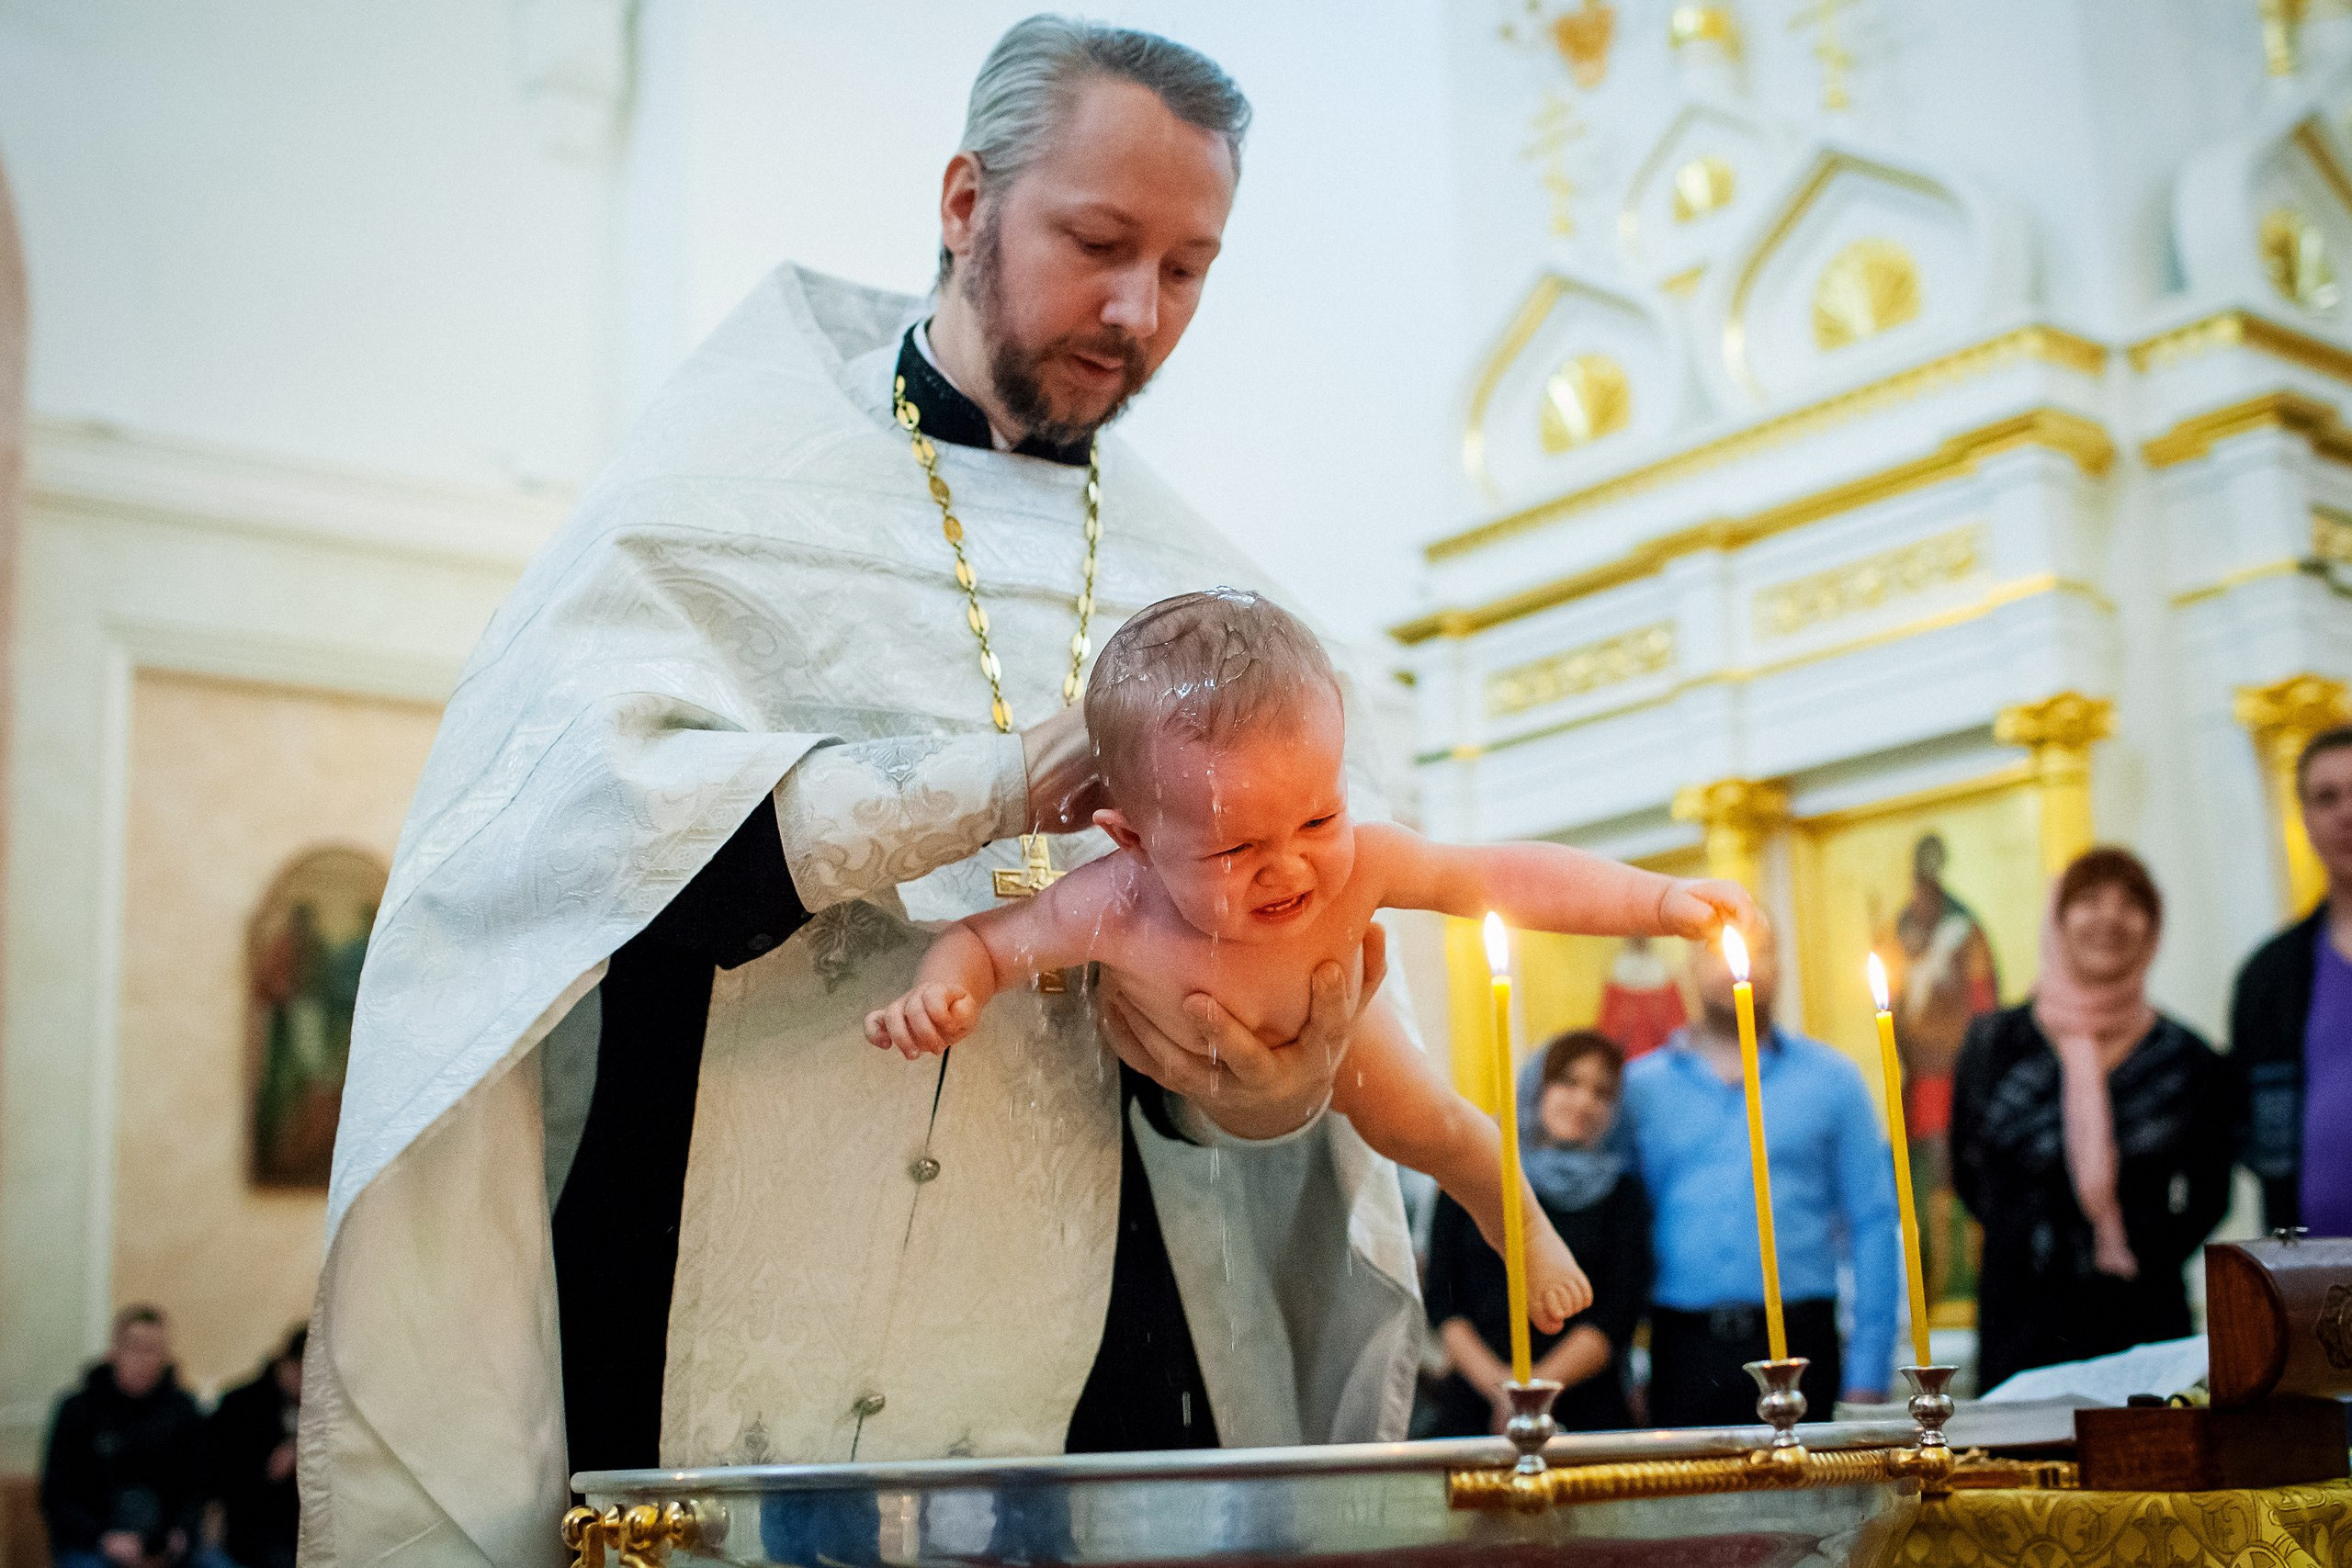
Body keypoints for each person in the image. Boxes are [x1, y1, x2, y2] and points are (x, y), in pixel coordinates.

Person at [306, 19, 1442, 1567]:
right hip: (698, 1296)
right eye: (1099, 243)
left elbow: (1243, 1049)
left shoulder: (1207, 586)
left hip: (1084, 1377)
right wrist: (996, 783)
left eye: (1188, 270)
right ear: (967, 202)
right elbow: (585, 842)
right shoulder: (719, 491)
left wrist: (1252, 1082)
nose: (1138, 311)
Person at [867, 591, 1749, 1325]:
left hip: (1344, 1026)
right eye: (1233, 848)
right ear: (1132, 838)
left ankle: (1518, 1225)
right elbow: (983, 941)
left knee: (1435, 1127)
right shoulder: (1112, 907)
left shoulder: (1365, 863)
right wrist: (944, 992)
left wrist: (1655, 901)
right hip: (1185, 1106)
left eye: (1319, 818)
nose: (1290, 867)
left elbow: (1496, 875)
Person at [1951, 847, 2236, 1393]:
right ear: (2057, 919)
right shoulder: (1994, 1045)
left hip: (2143, 1321)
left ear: (2153, 928)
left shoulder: (2185, 1057)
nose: (2110, 917)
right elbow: (1968, 1175)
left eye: (2132, 903)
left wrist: (2143, 1251)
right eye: (2088, 900)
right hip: (2021, 1322)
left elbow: (2210, 1196)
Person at [1623, 916, 1899, 1425]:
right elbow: (1618, 1231)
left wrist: (1868, 1371)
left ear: (1780, 966)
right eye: (1714, 950)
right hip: (1682, 1346)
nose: (1735, 965)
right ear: (1689, 966)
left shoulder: (1832, 1081)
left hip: (1802, 1338)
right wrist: (1623, 1368)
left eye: (1759, 949)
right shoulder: (1641, 1087)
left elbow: (1874, 1223)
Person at [1421, 1032, 1652, 1435]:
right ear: (1536, 1086)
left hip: (1585, 1408)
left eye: (1602, 1093)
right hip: (1474, 1401)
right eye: (1568, 1081)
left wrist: (1533, 1392)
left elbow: (1618, 1312)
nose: (1584, 1101)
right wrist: (1502, 1390)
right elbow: (1443, 1298)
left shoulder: (1623, 1194)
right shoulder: (1476, 1173)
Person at [2233, 725, 2352, 1238]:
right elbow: (2246, 1122)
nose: (2347, 813)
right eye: (2327, 798)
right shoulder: (2269, 976)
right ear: (2304, 819)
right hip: (2309, 1270)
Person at [40, 1306, 207, 1568]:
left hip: (166, 1546)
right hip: (94, 1544)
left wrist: (181, 1533)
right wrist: (103, 1539)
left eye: (153, 1350)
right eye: (135, 1348)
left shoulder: (183, 1410)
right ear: (114, 1352)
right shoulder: (78, 1410)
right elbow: (56, 1496)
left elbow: (198, 1486)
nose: (144, 1359)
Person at [208, 1329, 303, 1568]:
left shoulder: (323, 1410)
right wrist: (268, 1471)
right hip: (254, 1531)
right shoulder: (241, 1407)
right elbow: (221, 1479)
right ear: (287, 1365)